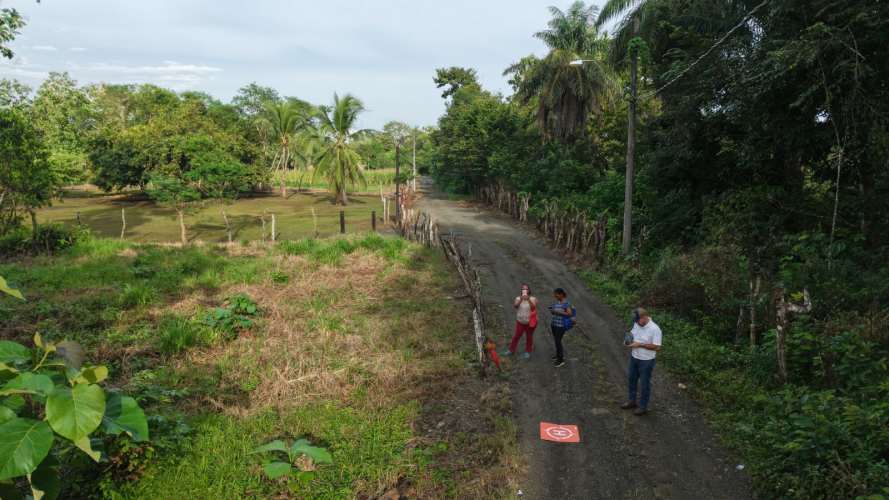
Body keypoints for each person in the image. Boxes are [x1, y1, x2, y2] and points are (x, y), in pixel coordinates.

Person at [621, 308, 662, 416]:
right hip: (634, 357)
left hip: (646, 361)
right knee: (632, 380)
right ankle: (632, 401)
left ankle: (643, 406)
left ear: (644, 317)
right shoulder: (637, 323)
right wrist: (628, 340)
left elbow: (657, 347)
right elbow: (632, 334)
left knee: (644, 384)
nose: (636, 323)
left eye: (638, 320)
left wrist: (640, 344)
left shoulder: (655, 329)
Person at [504, 283, 538, 359]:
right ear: (521, 290)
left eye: (526, 289)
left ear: (529, 290)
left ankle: (528, 351)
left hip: (529, 322)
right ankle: (511, 350)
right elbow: (515, 306)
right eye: (523, 289)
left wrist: (528, 299)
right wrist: (521, 299)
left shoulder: (533, 299)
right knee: (516, 336)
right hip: (520, 322)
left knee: (529, 337)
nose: (524, 290)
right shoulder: (518, 298)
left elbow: (533, 308)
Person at [548, 288, 574, 368]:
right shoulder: (557, 303)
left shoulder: (566, 304)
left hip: (561, 326)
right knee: (556, 341)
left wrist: (557, 312)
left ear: (561, 294)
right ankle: (558, 355)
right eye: (555, 294)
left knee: (558, 341)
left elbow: (569, 314)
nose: (555, 296)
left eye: (556, 294)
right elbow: (556, 313)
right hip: (554, 324)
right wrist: (552, 311)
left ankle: (561, 360)